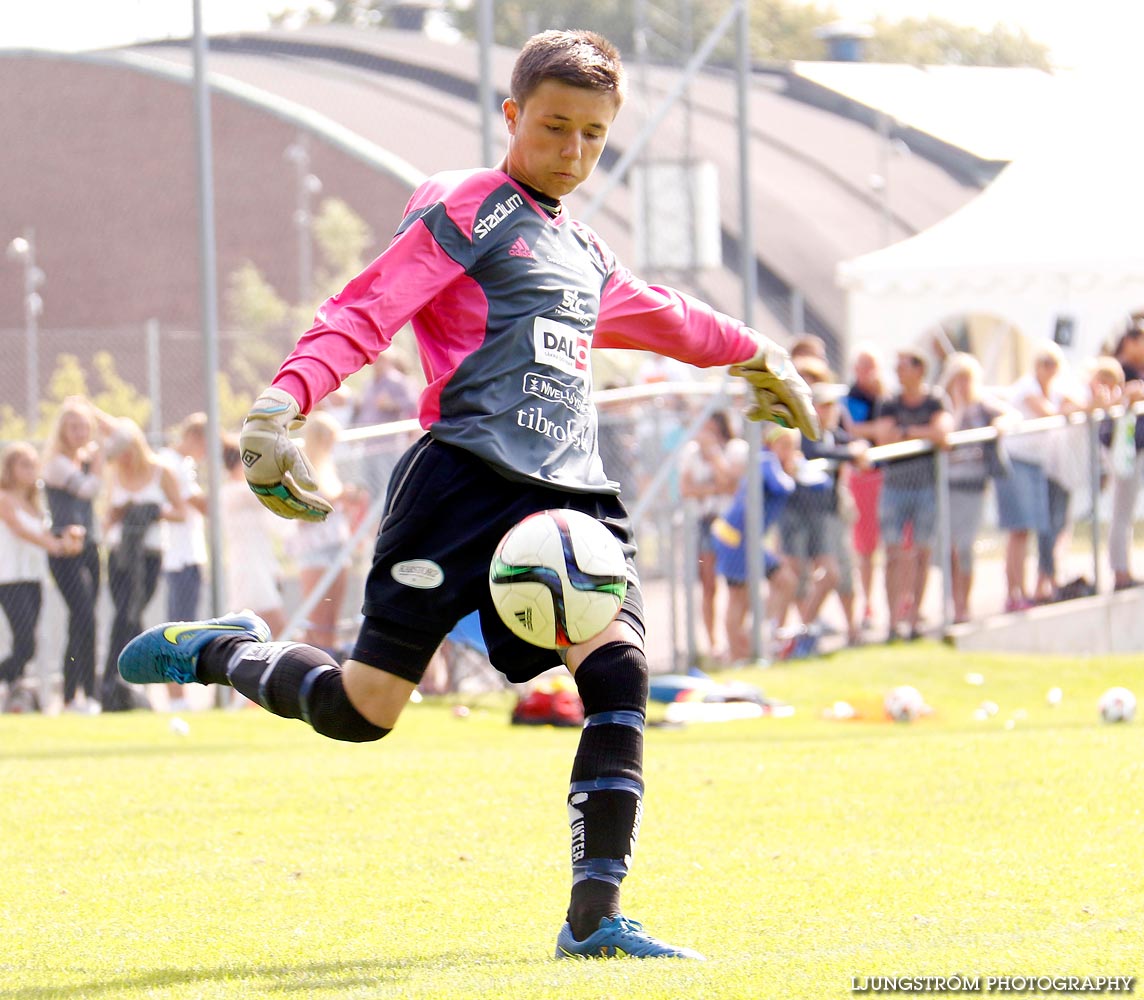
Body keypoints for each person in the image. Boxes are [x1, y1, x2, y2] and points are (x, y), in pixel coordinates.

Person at [117, 29, 816, 962]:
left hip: (574, 500)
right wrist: (284, 404)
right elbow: (367, 307)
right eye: (554, 127)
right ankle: (229, 652)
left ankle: (594, 918)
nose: (572, 152)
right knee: (361, 712)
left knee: (620, 673)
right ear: (511, 115)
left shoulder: (583, 249)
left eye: (593, 137)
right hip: (460, 484)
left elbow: (661, 313)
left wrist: (753, 352)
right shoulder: (472, 206)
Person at [102, 418, 186, 710]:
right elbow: (106, 519)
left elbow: (181, 512)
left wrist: (152, 512)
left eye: (127, 452)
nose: (123, 460)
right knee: (124, 615)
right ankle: (128, 685)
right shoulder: (115, 475)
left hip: (148, 556)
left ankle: (114, 679)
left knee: (130, 612)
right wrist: (117, 514)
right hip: (119, 555)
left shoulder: (160, 472)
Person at [873, 346, 952, 641]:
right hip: (894, 486)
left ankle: (915, 617)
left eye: (903, 366)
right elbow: (884, 436)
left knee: (921, 553)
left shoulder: (935, 400)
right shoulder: (889, 402)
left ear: (920, 370)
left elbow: (943, 433)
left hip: (926, 488)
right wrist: (923, 432)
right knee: (893, 555)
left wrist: (906, 432)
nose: (897, 372)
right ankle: (893, 622)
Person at [41, 396, 113, 713]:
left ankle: (83, 695)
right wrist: (97, 464)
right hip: (65, 549)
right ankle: (75, 693)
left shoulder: (85, 459)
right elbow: (89, 490)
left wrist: (94, 411)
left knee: (85, 619)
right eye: (73, 426)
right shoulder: (56, 463)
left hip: (90, 547)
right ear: (62, 430)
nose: (80, 432)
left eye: (85, 426)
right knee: (83, 614)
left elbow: (124, 436)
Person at [0, 443, 85, 708]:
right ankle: (12, 685)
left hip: (34, 578)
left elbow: (47, 536)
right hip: (10, 578)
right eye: (23, 464)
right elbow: (20, 531)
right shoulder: (4, 498)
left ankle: (17, 697)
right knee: (26, 642)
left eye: (32, 464)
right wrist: (53, 545)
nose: (29, 470)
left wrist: (68, 540)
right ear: (10, 469)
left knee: (27, 642)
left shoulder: (36, 504)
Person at [710, 425, 801, 664]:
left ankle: (760, 638)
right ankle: (738, 655)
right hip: (735, 537)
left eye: (791, 446)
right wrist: (794, 471)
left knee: (783, 582)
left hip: (747, 539)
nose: (788, 451)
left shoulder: (769, 463)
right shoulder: (766, 460)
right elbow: (783, 486)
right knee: (738, 597)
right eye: (783, 445)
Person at [939, 353, 1014, 624]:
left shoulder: (983, 406)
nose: (961, 384)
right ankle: (951, 601)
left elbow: (1010, 415)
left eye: (966, 378)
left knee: (965, 545)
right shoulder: (944, 408)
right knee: (947, 548)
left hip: (972, 486)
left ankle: (963, 605)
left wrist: (999, 426)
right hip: (945, 485)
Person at [678, 408, 748, 662]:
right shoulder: (691, 453)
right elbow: (686, 489)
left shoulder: (736, 449)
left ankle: (737, 641)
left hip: (730, 524)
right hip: (705, 522)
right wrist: (714, 486)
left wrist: (715, 456)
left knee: (736, 583)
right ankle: (713, 644)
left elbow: (731, 483)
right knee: (708, 586)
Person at [159, 413, 210, 710]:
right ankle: (175, 697)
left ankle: (179, 693)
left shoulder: (185, 465)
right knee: (178, 628)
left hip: (191, 554)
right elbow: (200, 504)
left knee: (187, 625)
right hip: (178, 558)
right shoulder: (170, 462)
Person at [220, 435, 290, 641]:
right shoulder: (233, 492)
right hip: (248, 563)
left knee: (267, 625)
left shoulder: (245, 492)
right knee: (275, 624)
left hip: (260, 560)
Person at [840, 345, 886, 632]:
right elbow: (855, 430)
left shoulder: (887, 397)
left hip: (889, 475)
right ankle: (867, 604)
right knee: (866, 547)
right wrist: (880, 429)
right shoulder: (851, 399)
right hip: (864, 478)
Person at [1103, 317, 1144, 590]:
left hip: (1134, 448)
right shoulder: (1116, 369)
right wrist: (1127, 396)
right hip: (1123, 450)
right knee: (1122, 510)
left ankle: (1123, 569)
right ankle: (1119, 572)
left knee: (1126, 511)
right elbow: (1106, 401)